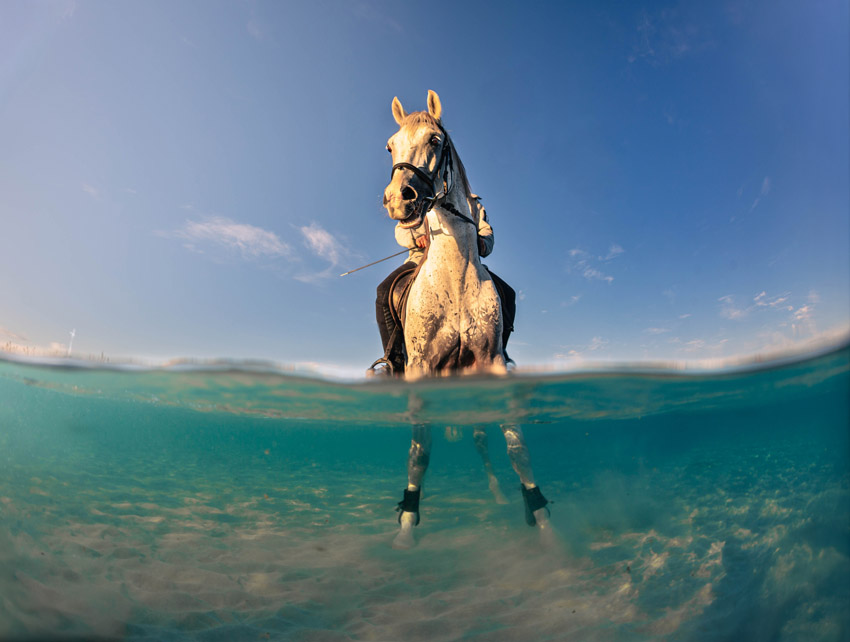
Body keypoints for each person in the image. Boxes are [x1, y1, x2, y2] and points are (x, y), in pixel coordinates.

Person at [370, 195, 516, 375]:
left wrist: (484, 243)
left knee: (508, 295)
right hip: (421, 259)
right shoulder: (419, 196)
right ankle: (393, 360)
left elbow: (486, 230)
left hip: (467, 262)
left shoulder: (474, 204)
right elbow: (401, 229)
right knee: (384, 292)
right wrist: (416, 239)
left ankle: (501, 351)